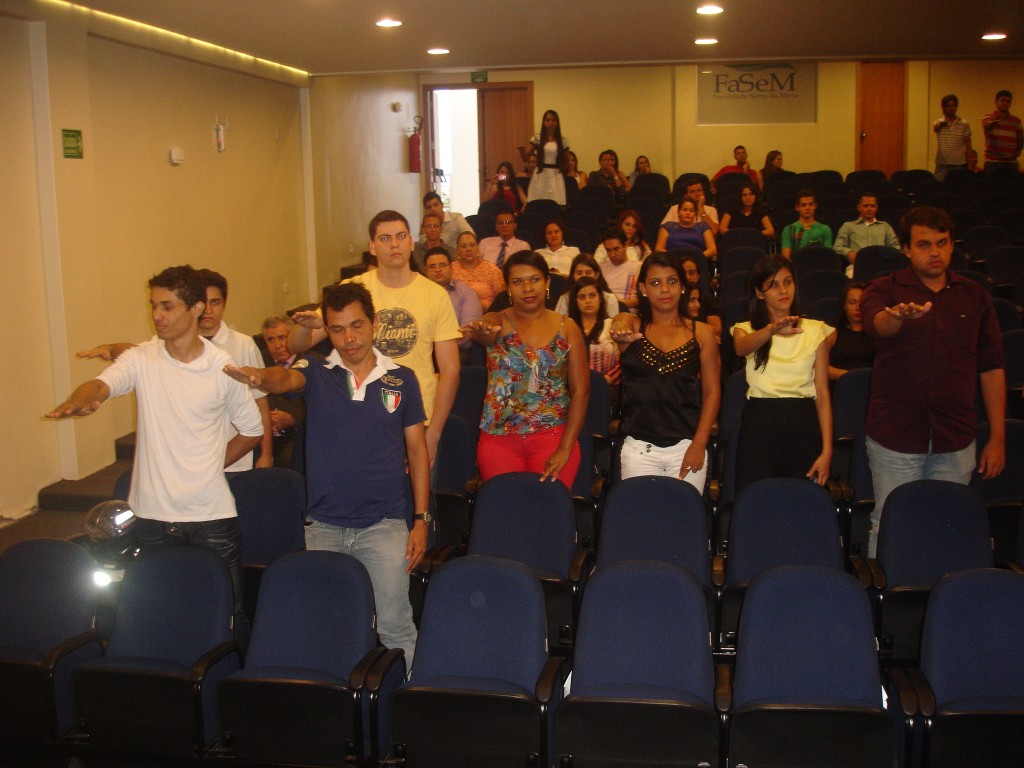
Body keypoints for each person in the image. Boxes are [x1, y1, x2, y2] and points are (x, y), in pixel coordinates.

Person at [48, 266, 263, 648]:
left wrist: (209, 467)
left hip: (211, 518)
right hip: (151, 517)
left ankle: (232, 676)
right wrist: (83, 399)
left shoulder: (222, 367)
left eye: (167, 306)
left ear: (196, 308)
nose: (158, 315)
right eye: (154, 306)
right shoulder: (142, 359)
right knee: (156, 612)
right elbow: (102, 384)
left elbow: (252, 430)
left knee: (228, 617)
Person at [225, 282, 428, 670]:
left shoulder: (401, 379)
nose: (349, 339)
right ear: (328, 332)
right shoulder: (317, 370)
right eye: (337, 329)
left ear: (374, 323)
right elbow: (285, 379)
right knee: (329, 625)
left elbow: (418, 452)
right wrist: (260, 378)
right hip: (324, 527)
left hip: (384, 525)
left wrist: (421, 519)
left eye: (357, 326)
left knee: (396, 627)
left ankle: (405, 697)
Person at [861, 206, 1005, 556]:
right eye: (924, 245)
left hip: (955, 438)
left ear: (953, 245)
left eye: (942, 243)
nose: (935, 252)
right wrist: (897, 318)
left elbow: (992, 368)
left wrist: (998, 438)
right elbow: (879, 325)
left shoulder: (975, 295)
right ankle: (887, 591)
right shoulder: (884, 289)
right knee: (891, 523)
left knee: (947, 525)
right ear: (907, 249)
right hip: (895, 437)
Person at [288, 210, 461, 468]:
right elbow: (295, 345)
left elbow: (450, 371)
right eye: (385, 238)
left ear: (411, 242)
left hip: (416, 416)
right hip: (359, 412)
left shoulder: (435, 295)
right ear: (372, 247)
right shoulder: (353, 289)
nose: (394, 244)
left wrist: (434, 433)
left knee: (417, 493)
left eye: (401, 236)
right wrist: (305, 327)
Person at [76, 269, 274, 471]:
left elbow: (260, 403)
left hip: (229, 458)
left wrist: (266, 454)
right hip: (178, 459)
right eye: (155, 306)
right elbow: (141, 355)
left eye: (215, 302)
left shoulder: (241, 346)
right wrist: (111, 351)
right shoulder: (167, 344)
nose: (208, 310)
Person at [462, 251, 589, 488]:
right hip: (498, 441)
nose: (527, 288)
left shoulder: (567, 327)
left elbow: (581, 392)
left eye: (534, 279)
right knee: (506, 508)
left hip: (553, 438)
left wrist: (565, 449)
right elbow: (487, 331)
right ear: (508, 288)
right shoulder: (497, 321)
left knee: (548, 508)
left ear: (547, 282)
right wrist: (483, 328)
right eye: (518, 282)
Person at [610, 252, 721, 491]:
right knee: (639, 515)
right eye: (655, 282)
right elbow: (621, 320)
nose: (664, 289)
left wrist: (699, 444)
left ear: (682, 286)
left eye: (672, 281)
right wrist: (619, 325)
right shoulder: (632, 327)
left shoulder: (701, 333)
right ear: (643, 288)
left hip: (686, 446)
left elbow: (712, 392)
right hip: (638, 449)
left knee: (685, 514)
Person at [731, 254, 834, 491]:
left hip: (803, 422)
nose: (783, 290)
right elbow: (741, 348)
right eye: (773, 285)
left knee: (802, 499)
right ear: (760, 293)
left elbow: (822, 393)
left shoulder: (816, 330)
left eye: (788, 282)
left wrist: (827, 450)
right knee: (756, 498)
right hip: (760, 424)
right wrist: (772, 329)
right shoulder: (746, 329)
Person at [260, 314, 307, 470]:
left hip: (296, 434)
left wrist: (292, 419)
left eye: (282, 337)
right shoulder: (259, 363)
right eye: (271, 340)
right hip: (262, 434)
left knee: (290, 459)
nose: (278, 345)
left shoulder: (310, 363)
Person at [422, 246, 483, 357]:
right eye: (432, 266)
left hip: (455, 351)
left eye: (442, 265)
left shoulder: (466, 294)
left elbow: (468, 332)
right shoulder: (417, 293)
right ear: (426, 270)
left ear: (451, 267)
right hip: (422, 351)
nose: (438, 270)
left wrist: (440, 344)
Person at [567, 276, 621, 396]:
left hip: (606, 388)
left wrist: (606, 380)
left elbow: (623, 360)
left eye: (592, 296)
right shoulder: (568, 327)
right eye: (582, 297)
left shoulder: (612, 325)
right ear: (575, 301)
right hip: (573, 390)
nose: (588, 301)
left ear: (600, 298)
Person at [833, 193, 898, 275]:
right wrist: (849, 252)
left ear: (876, 208)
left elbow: (896, 246)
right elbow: (837, 246)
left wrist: (885, 257)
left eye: (872, 206)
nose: (869, 209)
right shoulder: (848, 226)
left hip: (881, 266)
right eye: (866, 206)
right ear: (859, 207)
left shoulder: (885, 226)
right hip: (857, 266)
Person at [519, 109, 569, 204]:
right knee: (538, 202)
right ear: (544, 123)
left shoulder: (563, 141)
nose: (550, 122)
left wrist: (561, 170)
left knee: (555, 203)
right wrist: (521, 151)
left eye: (553, 120)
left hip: (555, 175)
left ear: (557, 122)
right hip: (540, 174)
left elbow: (566, 162)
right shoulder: (537, 138)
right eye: (547, 120)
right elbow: (525, 158)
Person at [827, 281, 874, 380]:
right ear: (844, 305)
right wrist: (852, 377)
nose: (858, 308)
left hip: (872, 383)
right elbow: (820, 367)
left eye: (862, 302)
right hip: (841, 384)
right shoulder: (832, 332)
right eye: (852, 302)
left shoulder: (877, 332)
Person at [450, 230, 506, 310]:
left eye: (472, 245)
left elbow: (503, 298)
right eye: (463, 246)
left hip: (487, 314)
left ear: (477, 247)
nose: (468, 249)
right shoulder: (450, 269)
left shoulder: (491, 270)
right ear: (457, 250)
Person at [554, 253, 619, 318]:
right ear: (573, 276)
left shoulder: (609, 298)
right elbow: (558, 322)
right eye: (579, 273)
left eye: (588, 273)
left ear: (597, 275)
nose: (584, 276)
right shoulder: (565, 299)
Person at [980, 90, 1023, 175]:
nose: (1005, 103)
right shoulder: (988, 117)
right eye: (1002, 100)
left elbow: (1020, 141)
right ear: (996, 102)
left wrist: (1014, 153)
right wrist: (996, 117)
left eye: (1008, 101)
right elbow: (986, 124)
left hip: (1011, 163)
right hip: (993, 163)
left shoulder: (1016, 121)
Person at [780, 190, 832, 258]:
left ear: (815, 206)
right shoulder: (789, 229)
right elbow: (786, 258)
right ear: (797, 207)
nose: (807, 208)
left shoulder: (825, 229)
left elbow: (828, 255)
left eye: (811, 204)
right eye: (803, 205)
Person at [933, 94, 974, 180]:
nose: (951, 108)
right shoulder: (938, 122)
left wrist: (970, 167)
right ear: (943, 108)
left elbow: (969, 147)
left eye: (953, 106)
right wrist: (942, 123)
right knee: (939, 186)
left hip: (958, 165)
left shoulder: (964, 124)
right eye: (948, 106)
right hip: (942, 164)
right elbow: (935, 128)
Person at [598, 228, 640, 309]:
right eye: (608, 250)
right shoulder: (600, 268)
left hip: (627, 311)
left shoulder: (638, 267)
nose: (612, 254)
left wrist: (616, 304)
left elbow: (641, 300)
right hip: (604, 310)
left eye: (616, 249)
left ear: (626, 245)